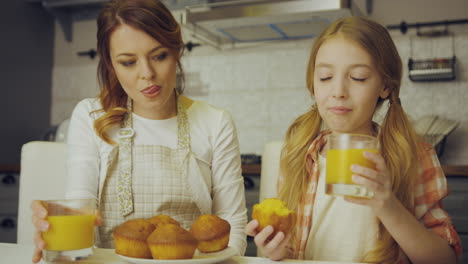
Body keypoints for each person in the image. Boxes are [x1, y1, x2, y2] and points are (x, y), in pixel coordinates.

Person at [31, 0, 247, 262]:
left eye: (159, 56)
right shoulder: (90, 117)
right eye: (128, 62)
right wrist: (60, 225)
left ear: (176, 51)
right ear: (111, 64)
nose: (147, 73)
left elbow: (232, 226)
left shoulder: (216, 122)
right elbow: (80, 208)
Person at [245, 16, 461, 264]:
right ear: (313, 86)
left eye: (358, 77)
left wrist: (387, 205)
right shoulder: (297, 157)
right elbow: (295, 252)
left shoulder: (414, 157)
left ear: (385, 86)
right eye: (325, 77)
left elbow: (445, 259)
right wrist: (278, 252)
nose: (338, 91)